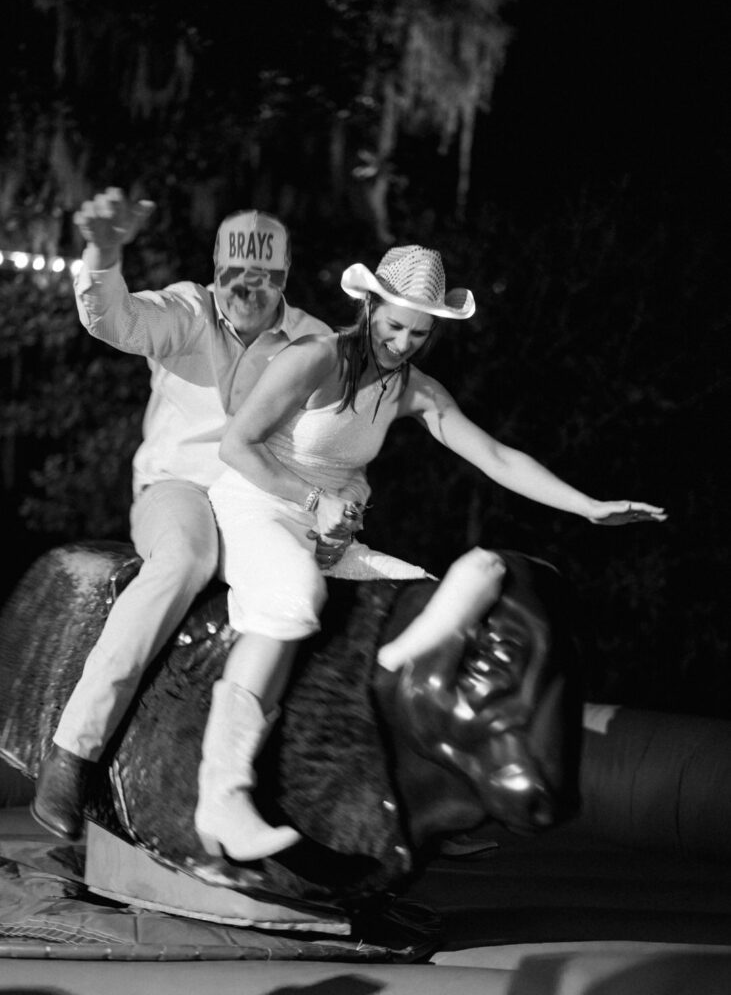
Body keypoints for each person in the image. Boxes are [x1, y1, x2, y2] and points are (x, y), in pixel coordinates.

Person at [195, 244, 667, 861]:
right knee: (295, 597)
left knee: (427, 600)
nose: (404, 342)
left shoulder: (414, 390)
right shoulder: (313, 357)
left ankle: (413, 797)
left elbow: (496, 457)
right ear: (368, 307)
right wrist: (314, 500)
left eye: (420, 333)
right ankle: (220, 797)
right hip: (257, 506)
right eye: (394, 326)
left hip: (329, 532)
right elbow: (237, 446)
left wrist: (587, 506)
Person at [31, 188, 364, 842]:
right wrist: (104, 251)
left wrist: (338, 509)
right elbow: (113, 319)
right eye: (236, 273)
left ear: (285, 278)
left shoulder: (314, 340)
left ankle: (376, 781)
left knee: (333, 586)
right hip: (179, 491)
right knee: (187, 557)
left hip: (260, 502)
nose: (250, 287)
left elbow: (332, 441)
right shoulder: (186, 311)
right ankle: (73, 754)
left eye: (265, 276)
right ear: (216, 273)